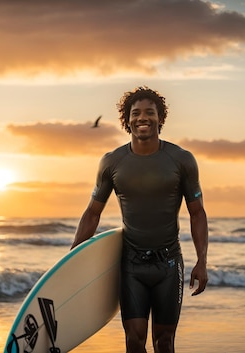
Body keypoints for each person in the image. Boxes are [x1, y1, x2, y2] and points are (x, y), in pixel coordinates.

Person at [71, 86, 209, 353]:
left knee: (164, 342)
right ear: (127, 120)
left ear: (160, 118)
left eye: (149, 113)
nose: (142, 118)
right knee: (134, 341)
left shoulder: (181, 160)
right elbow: (92, 213)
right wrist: (73, 257)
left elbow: (197, 213)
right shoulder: (112, 162)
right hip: (131, 264)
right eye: (135, 113)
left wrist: (202, 261)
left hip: (168, 263)